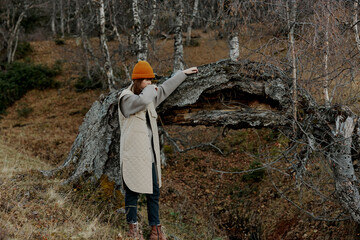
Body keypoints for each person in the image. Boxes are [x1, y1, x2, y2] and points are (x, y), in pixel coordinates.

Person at [118, 61, 198, 240]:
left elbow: (163, 90)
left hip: (148, 155)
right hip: (132, 155)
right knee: (132, 191)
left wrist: (182, 74)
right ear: (136, 81)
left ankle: (155, 230)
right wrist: (151, 89)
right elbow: (145, 99)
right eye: (145, 80)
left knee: (154, 192)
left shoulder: (148, 95)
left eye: (150, 79)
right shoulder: (126, 98)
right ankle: (133, 230)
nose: (149, 83)